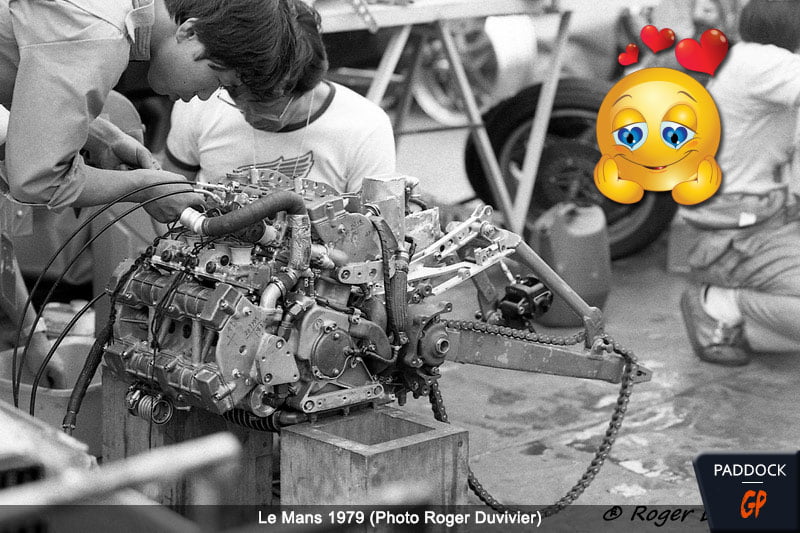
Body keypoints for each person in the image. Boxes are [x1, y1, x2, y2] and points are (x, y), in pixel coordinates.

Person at [0, 0, 304, 384]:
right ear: (189, 32)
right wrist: (147, 188)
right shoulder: (99, 32)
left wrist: (102, 135)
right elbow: (37, 179)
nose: (205, 96)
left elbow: (22, 74)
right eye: (218, 80)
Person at [163, 0, 395, 193]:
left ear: (306, 88)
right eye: (235, 96)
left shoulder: (366, 129)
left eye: (267, 106)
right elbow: (168, 199)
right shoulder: (201, 102)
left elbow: (374, 228)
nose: (249, 116)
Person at [678, 0, 800, 365]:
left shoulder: (745, 59)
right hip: (738, 228)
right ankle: (719, 304)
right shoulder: (764, 62)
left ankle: (740, 322)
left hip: (754, 216)